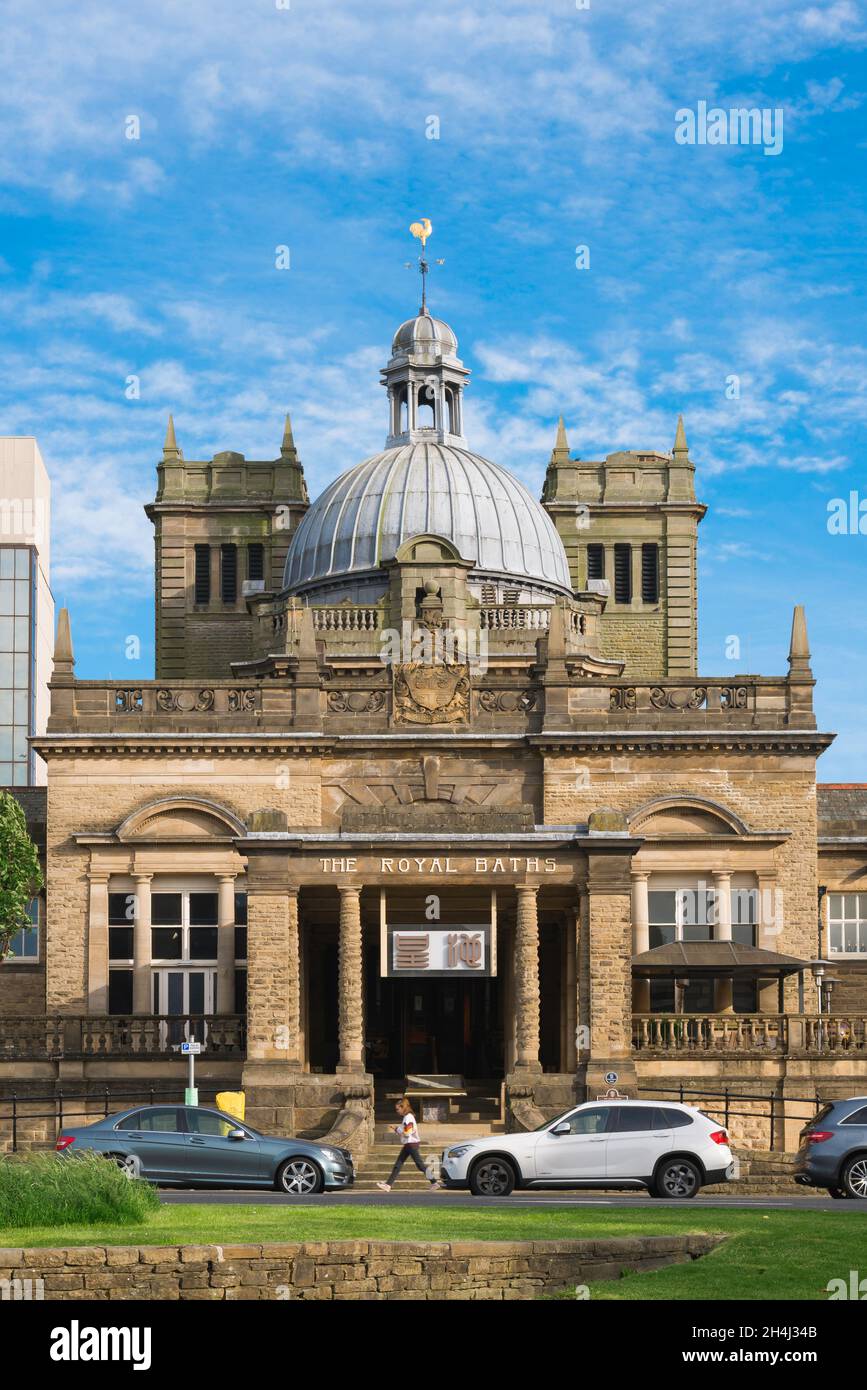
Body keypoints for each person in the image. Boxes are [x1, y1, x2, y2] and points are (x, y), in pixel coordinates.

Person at [376, 1097, 441, 1192]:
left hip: (411, 1144)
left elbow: (407, 1133)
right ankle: (388, 1184)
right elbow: (406, 1132)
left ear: (403, 1108)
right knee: (399, 1164)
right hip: (409, 1144)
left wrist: (396, 1129)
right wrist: (397, 1129)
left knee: (419, 1165)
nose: (397, 1111)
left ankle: (434, 1182)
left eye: (398, 1109)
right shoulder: (408, 1117)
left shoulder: (408, 1117)